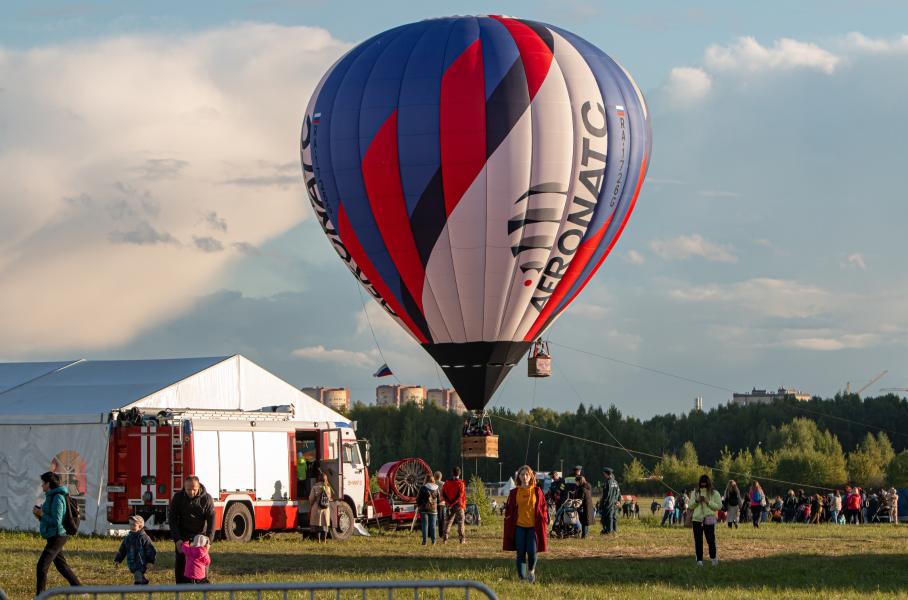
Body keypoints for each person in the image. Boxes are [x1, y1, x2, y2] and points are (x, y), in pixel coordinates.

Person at [34, 472, 82, 595]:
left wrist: (42, 514)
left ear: (48, 483)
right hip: (53, 535)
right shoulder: (50, 496)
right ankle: (81, 590)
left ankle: (40, 596)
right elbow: (49, 518)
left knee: (41, 566)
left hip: (58, 536)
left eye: (43, 483)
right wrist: (39, 515)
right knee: (61, 566)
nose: (41, 485)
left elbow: (56, 521)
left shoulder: (58, 498)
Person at [503, 465, 548, 583]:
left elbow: (543, 507)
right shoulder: (514, 492)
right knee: (520, 553)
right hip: (519, 527)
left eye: (527, 474)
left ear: (531, 476)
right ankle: (522, 578)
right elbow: (509, 508)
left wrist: (545, 518)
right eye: (522, 474)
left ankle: (531, 571)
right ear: (519, 476)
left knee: (532, 552)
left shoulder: (537, 491)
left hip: (533, 527)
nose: (524, 477)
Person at [169, 475, 215, 583]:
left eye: (194, 489)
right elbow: (172, 519)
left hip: (200, 536)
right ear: (184, 487)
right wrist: (177, 539)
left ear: (199, 487)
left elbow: (212, 520)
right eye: (188, 489)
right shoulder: (178, 498)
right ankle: (181, 587)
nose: (191, 492)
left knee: (201, 560)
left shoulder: (207, 499)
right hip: (183, 535)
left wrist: (209, 540)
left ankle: (202, 583)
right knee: (181, 560)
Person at [114, 515, 157, 585]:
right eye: (130, 524)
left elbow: (150, 549)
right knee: (136, 572)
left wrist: (150, 561)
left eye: (134, 525)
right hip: (131, 561)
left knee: (137, 573)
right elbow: (122, 550)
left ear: (140, 526)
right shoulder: (128, 538)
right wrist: (118, 560)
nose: (131, 526)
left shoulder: (144, 537)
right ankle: (144, 581)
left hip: (141, 562)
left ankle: (138, 584)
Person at [691, 474, 722, 566]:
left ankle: (713, 558)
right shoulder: (695, 493)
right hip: (697, 519)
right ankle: (699, 560)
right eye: (702, 484)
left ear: (709, 484)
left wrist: (708, 502)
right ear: (699, 484)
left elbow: (719, 506)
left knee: (711, 540)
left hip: (709, 519)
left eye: (705, 484)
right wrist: (696, 500)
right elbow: (690, 505)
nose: (703, 486)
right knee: (698, 541)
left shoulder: (715, 493)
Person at [442, 466, 467, 544]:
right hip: (459, 505)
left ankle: (445, 539)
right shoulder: (461, 483)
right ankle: (462, 539)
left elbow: (444, 494)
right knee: (460, 522)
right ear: (459, 473)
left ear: (452, 473)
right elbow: (460, 495)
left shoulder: (446, 483)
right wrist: (453, 503)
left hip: (449, 505)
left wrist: (449, 503)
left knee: (448, 522)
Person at [309, 472, 333, 543]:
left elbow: (311, 498)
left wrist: (311, 504)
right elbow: (329, 498)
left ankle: (318, 540)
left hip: (317, 508)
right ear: (326, 479)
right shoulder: (328, 488)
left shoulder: (315, 487)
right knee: (325, 525)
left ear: (318, 479)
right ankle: (324, 540)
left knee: (318, 525)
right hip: (325, 508)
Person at [416, 474, 440, 545]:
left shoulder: (423, 488)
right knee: (433, 526)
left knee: (424, 525)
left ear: (426, 480)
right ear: (433, 480)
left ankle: (424, 541)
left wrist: (419, 505)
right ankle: (434, 541)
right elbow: (438, 500)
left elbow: (418, 499)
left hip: (424, 509)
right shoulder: (437, 488)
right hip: (433, 509)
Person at [599, 467, 620, 534]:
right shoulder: (615, 482)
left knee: (609, 517)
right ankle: (615, 530)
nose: (603, 475)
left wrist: (602, 503)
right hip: (615, 503)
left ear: (606, 474)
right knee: (614, 517)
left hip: (608, 503)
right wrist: (619, 501)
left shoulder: (608, 482)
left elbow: (606, 495)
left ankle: (609, 531)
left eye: (604, 473)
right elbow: (619, 492)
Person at [575, 475, 595, 539]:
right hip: (587, 506)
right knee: (585, 521)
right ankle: (585, 535)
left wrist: (577, 506)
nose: (576, 483)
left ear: (579, 481)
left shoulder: (582, 489)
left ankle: (584, 536)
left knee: (584, 522)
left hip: (583, 507)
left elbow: (580, 499)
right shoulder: (587, 487)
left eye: (576, 481)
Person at [434, 471, 447, 537]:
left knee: (434, 519)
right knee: (442, 519)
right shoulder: (443, 484)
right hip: (442, 503)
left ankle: (433, 534)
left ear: (434, 477)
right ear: (441, 477)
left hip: (434, 504)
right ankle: (441, 533)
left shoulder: (432, 484)